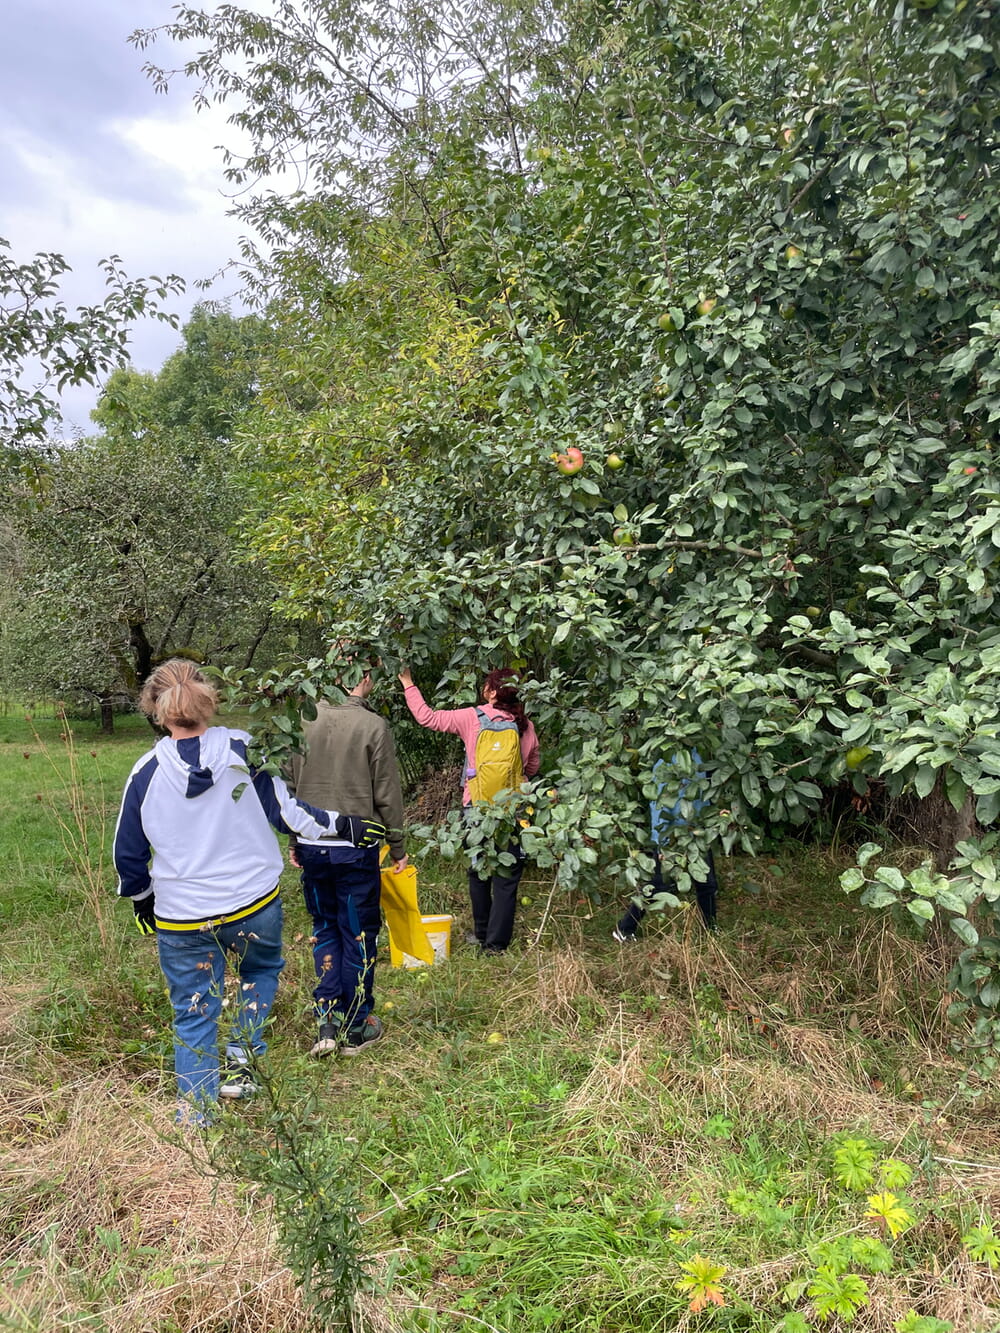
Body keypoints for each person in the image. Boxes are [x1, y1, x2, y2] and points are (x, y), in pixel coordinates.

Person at [113, 658, 385, 1126]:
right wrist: (346, 826)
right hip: (252, 904)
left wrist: (141, 897)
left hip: (182, 918)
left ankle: (198, 1113)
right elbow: (289, 813)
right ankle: (243, 1065)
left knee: (193, 1008)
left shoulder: (145, 772)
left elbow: (128, 850)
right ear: (209, 700)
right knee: (259, 972)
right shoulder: (243, 749)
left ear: (157, 710)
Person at [288, 665, 406, 1059]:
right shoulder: (373, 726)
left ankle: (326, 1018)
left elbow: (287, 788)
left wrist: (294, 837)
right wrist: (398, 845)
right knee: (358, 932)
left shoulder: (302, 721)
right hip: (356, 848)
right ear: (363, 678)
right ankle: (356, 1023)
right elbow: (387, 791)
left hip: (311, 844)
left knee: (325, 928)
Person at [399, 666, 540, 954]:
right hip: (512, 809)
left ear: (491, 691)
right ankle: (496, 945)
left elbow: (427, 717)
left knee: (478, 870)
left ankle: (480, 932)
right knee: (507, 877)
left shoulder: (471, 717)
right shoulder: (525, 725)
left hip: (475, 807)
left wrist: (408, 682)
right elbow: (533, 766)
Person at [613, 751, 719, 941]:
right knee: (659, 885)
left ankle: (710, 931)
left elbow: (704, 796)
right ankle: (625, 928)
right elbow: (658, 806)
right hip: (672, 838)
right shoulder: (665, 763)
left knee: (707, 884)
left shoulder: (699, 755)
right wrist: (661, 845)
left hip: (697, 834)